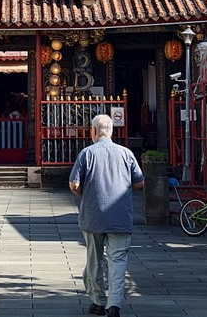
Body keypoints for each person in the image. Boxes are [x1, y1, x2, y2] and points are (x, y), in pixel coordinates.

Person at [69, 114, 145, 317]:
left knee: (94, 260)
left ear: (93, 131)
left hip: (93, 215)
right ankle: (115, 305)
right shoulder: (126, 153)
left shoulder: (87, 153)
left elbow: (74, 184)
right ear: (111, 132)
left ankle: (97, 301)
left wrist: (85, 193)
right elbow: (139, 182)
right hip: (120, 216)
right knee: (118, 260)